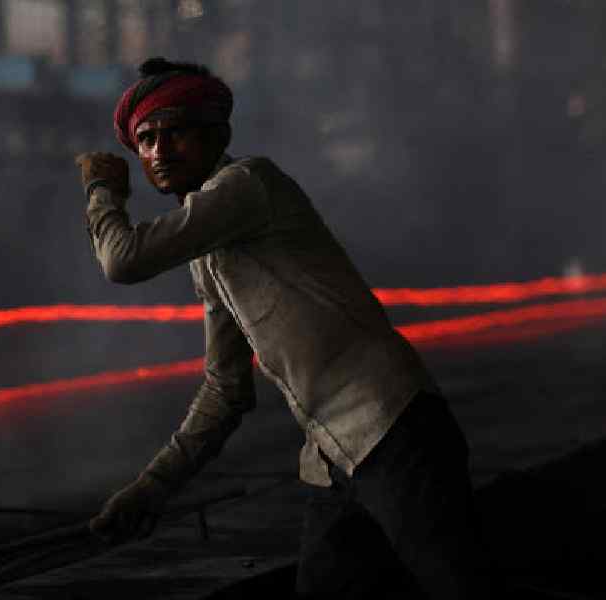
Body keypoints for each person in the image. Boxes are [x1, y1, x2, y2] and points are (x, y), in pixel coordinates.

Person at [74, 57, 490, 599]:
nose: (157, 151)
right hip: (334, 458)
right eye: (146, 139)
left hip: (395, 432)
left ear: (216, 134)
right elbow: (226, 390)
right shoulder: (207, 251)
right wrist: (152, 489)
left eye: (175, 132)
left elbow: (122, 261)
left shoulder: (248, 184)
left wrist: (102, 193)